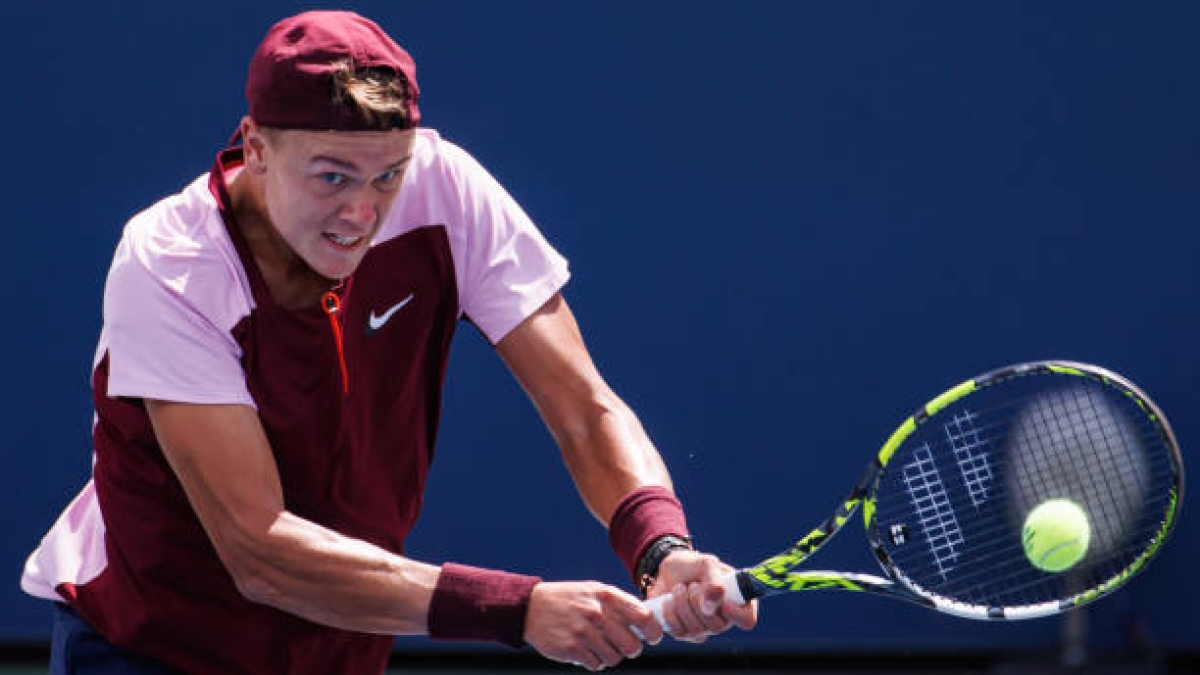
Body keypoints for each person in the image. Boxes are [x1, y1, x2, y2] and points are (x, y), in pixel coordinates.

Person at [21, 10, 756, 675]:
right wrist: (516, 608)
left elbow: (584, 409)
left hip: (344, 645)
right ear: (256, 147)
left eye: (388, 176)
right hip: (150, 647)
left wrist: (660, 546)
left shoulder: (448, 191)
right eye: (332, 176)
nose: (361, 212)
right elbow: (258, 549)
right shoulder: (171, 264)